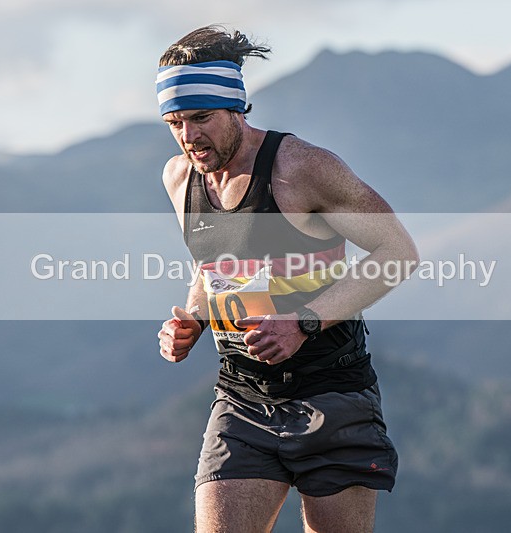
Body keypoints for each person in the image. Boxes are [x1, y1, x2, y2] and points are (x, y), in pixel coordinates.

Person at [156, 25, 419, 533]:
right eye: (175, 122)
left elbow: (398, 251)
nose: (189, 137)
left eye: (201, 118)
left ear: (237, 108)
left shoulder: (302, 168)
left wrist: (302, 323)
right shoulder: (179, 178)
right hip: (241, 397)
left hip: (332, 394)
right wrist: (193, 318)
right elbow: (209, 263)